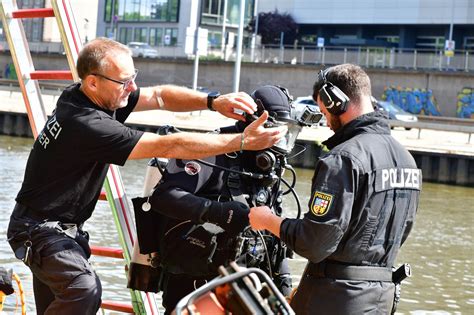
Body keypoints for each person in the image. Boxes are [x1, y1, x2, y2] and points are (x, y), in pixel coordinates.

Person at [6, 37, 286, 315]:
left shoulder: (90, 96)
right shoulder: (87, 123)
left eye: (133, 77)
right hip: (39, 230)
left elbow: (159, 96)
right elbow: (169, 145)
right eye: (124, 82)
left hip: (58, 228)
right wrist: (242, 142)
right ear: (93, 81)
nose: (133, 87)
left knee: (60, 303)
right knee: (83, 289)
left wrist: (213, 101)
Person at [130, 85, 321, 314]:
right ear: (250, 122)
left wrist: (283, 280)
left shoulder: (270, 168)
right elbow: (164, 196)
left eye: (286, 133)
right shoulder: (213, 149)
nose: (276, 141)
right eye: (271, 129)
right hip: (195, 284)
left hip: (244, 287)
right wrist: (219, 212)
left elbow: (271, 230)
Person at [249, 64, 421, 314]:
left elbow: (315, 243)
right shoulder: (407, 160)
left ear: (335, 102)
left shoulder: (343, 158)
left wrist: (268, 220)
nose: (327, 122)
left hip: (335, 299)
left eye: (323, 110)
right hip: (382, 297)